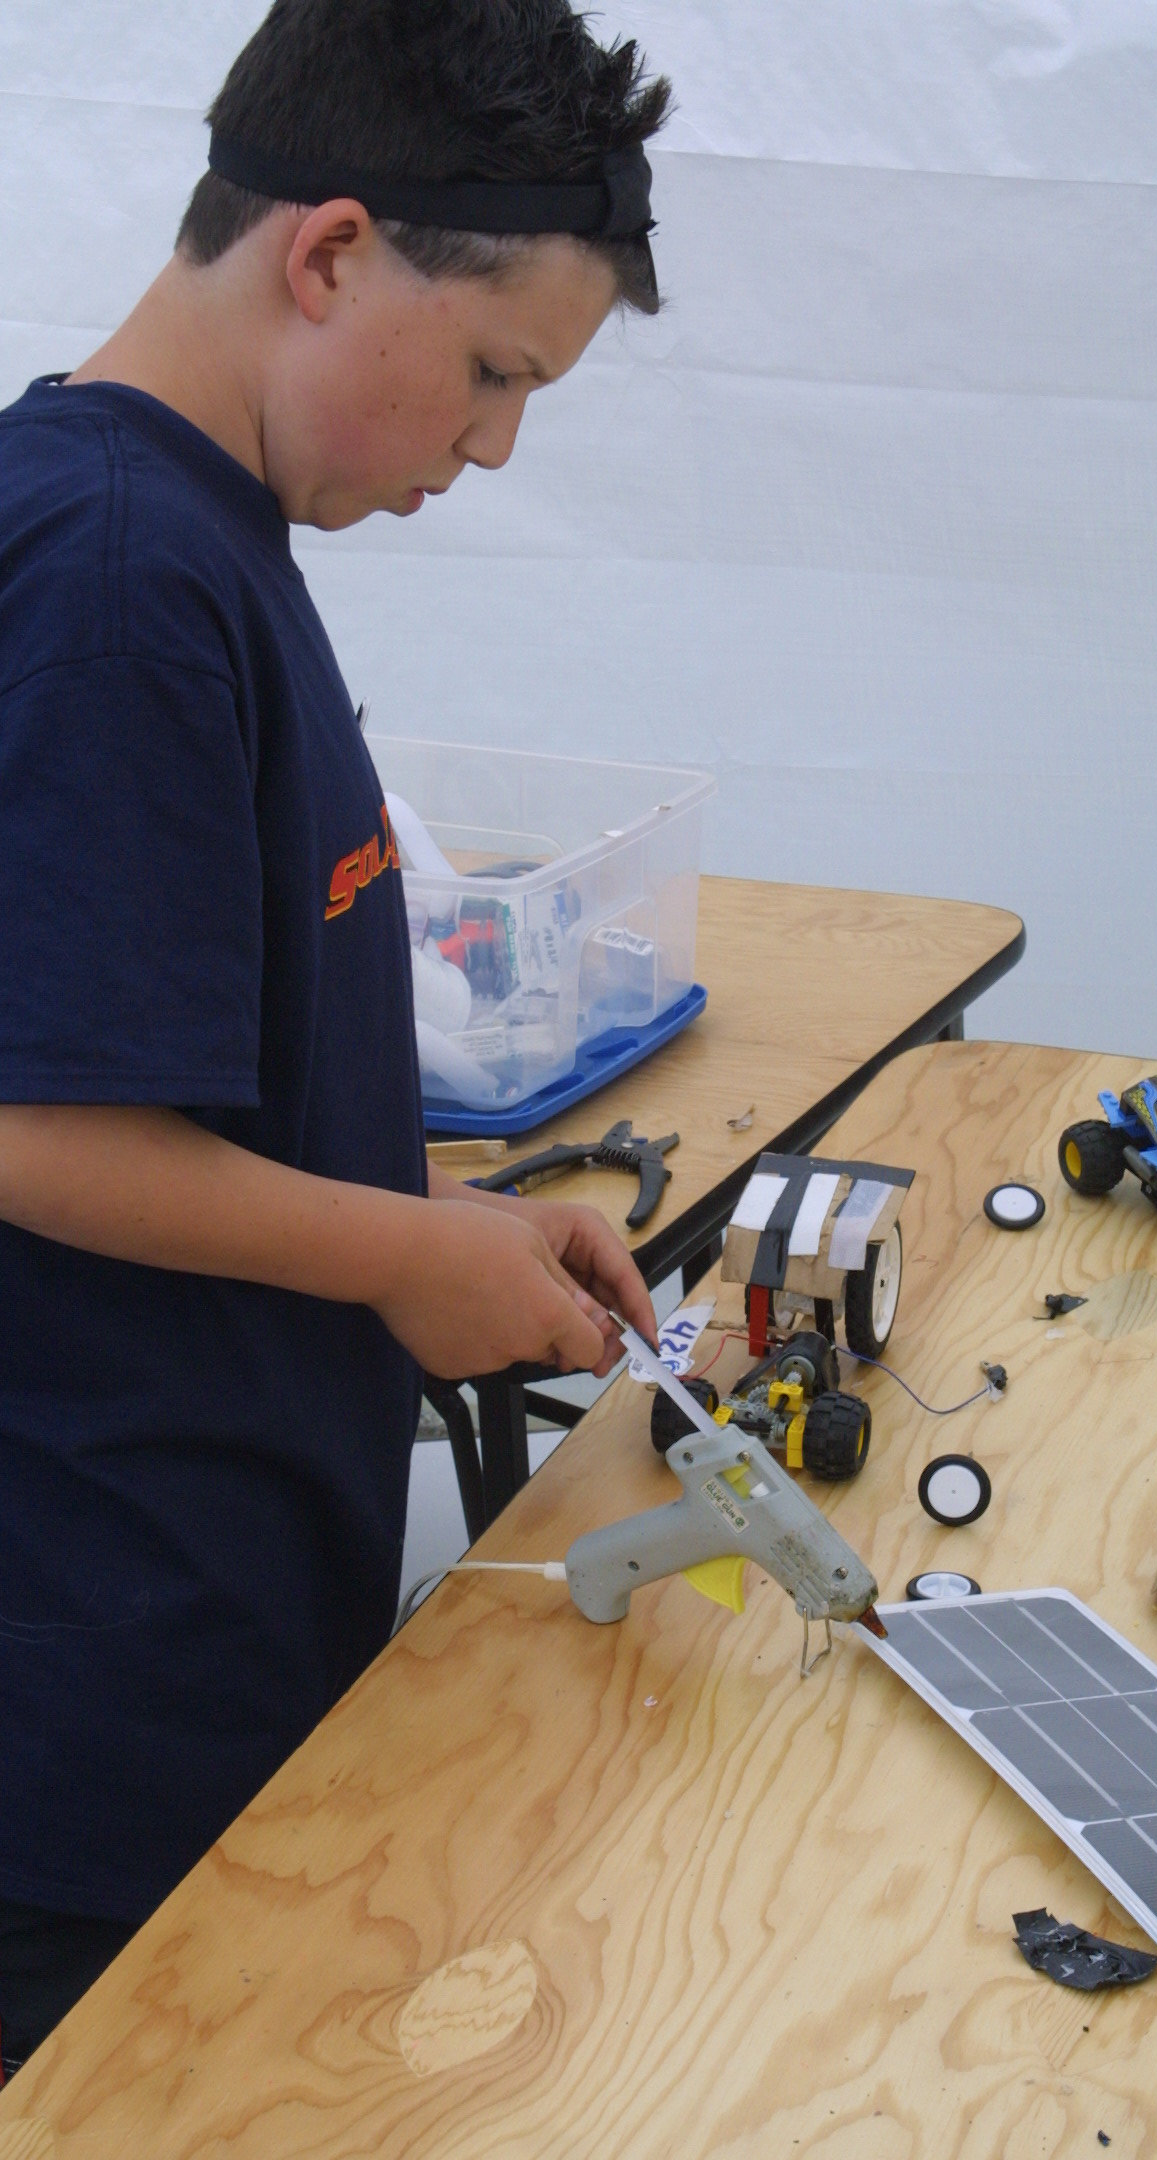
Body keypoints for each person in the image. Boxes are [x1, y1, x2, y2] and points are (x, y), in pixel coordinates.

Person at [0, 0, 668, 2075]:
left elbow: (195, 1053)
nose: (493, 448)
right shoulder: (120, 581)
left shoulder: (189, 532)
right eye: (494, 375)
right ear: (331, 252)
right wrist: (400, 1257)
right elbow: (37, 1129)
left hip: (196, 1595)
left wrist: (449, 1214)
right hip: (95, 1680)